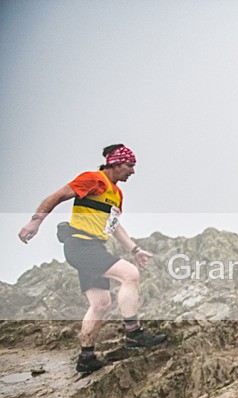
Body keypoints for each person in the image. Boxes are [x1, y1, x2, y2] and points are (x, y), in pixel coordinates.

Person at [17, 144, 167, 375]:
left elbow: (114, 226)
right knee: (130, 275)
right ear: (115, 164)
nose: (133, 171)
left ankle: (86, 358)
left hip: (93, 246)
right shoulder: (93, 179)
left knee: (100, 304)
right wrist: (35, 221)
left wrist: (135, 249)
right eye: (130, 166)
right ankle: (134, 333)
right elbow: (56, 197)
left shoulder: (116, 194)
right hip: (80, 245)